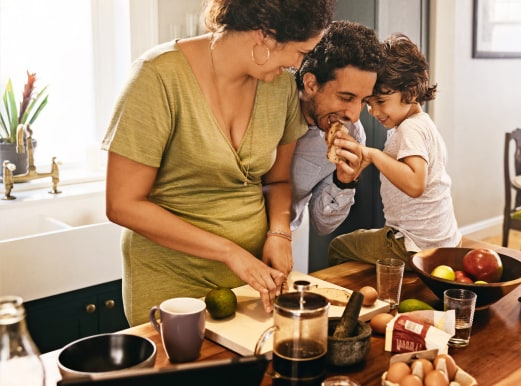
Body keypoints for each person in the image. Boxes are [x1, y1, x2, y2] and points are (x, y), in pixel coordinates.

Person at [101, 0, 334, 326]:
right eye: (300, 52)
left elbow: (278, 181)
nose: (300, 64)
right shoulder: (157, 76)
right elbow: (122, 204)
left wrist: (279, 232)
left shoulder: (280, 87)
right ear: (265, 36)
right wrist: (229, 252)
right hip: (171, 282)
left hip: (251, 280)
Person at [328, 33, 461, 266]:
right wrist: (368, 160)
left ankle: (368, 297)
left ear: (409, 92)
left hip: (413, 246)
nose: (373, 111)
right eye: (369, 104)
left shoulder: (410, 129)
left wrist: (373, 154)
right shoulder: (422, 123)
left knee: (339, 246)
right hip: (443, 241)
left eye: (380, 102)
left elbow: (415, 184)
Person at [291, 20, 384, 236]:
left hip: (281, 243)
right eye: (346, 97)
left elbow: (323, 225)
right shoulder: (272, 105)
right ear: (311, 83)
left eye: (363, 101)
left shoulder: (353, 133)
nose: (353, 114)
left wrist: (343, 183)